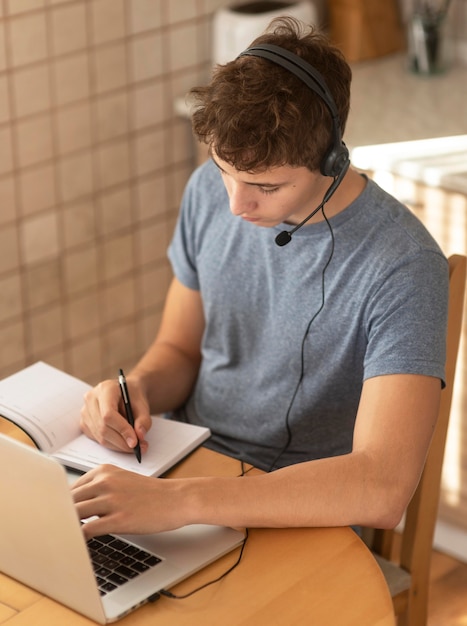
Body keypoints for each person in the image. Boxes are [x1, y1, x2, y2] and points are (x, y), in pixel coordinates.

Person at [72, 17, 448, 540]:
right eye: (225, 172)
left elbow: (381, 488)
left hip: (300, 514)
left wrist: (184, 502)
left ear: (330, 159)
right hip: (183, 471)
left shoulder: (404, 266)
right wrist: (138, 390)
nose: (235, 203)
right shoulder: (208, 190)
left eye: (264, 187)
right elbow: (180, 351)